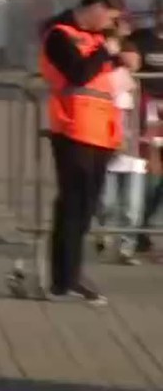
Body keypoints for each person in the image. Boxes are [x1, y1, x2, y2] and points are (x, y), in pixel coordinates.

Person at [38, 0, 126, 304]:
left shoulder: (96, 38)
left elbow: (109, 74)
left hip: (100, 132)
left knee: (86, 207)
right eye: (110, 16)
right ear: (97, 7)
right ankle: (62, 281)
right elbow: (78, 73)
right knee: (72, 205)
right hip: (74, 130)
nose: (110, 24)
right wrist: (106, 51)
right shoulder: (59, 35)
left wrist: (122, 57)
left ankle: (72, 275)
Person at [95, 17, 144, 265]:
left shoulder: (135, 83)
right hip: (109, 147)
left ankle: (127, 248)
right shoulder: (107, 77)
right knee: (107, 202)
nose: (133, 61)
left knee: (132, 207)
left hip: (133, 151)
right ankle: (103, 232)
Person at [130, 0, 163, 255]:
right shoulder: (141, 39)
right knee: (151, 170)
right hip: (149, 109)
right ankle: (140, 229)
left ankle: (147, 224)